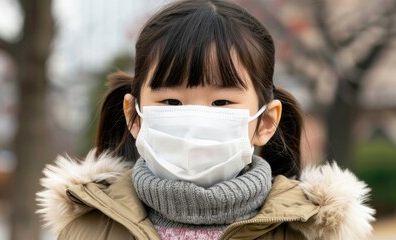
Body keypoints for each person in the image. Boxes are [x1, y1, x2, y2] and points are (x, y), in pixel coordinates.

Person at [36, 0, 375, 239]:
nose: (195, 119)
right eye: (171, 100)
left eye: (221, 101)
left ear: (266, 122)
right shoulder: (90, 226)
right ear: (133, 116)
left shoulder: (311, 230)